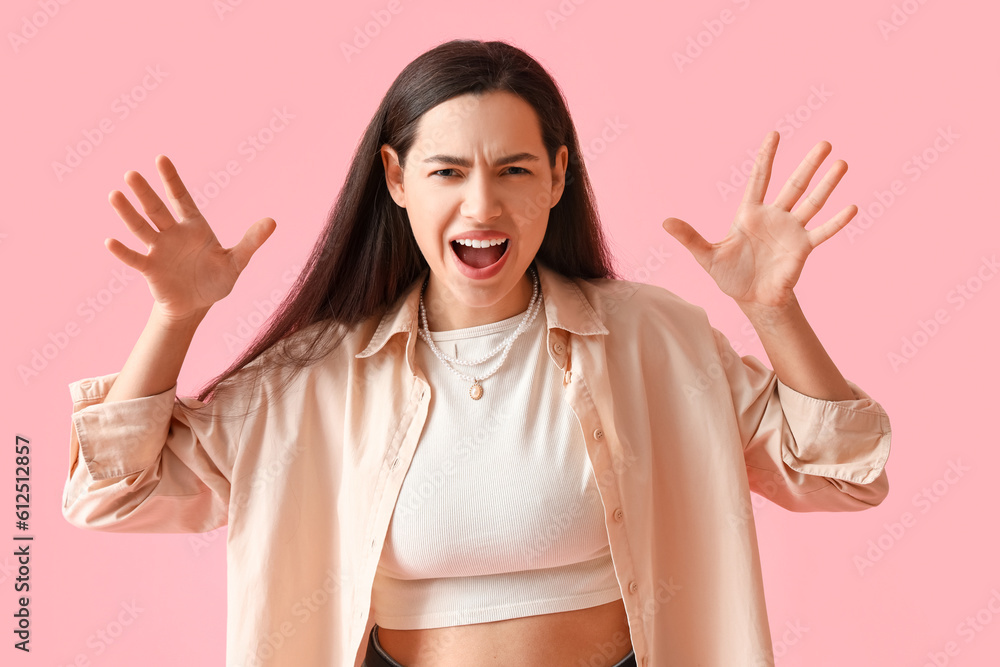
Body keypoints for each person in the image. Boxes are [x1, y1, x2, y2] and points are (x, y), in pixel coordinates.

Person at [61, 39, 892, 667]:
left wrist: (773, 313)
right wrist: (175, 319)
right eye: (448, 170)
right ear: (395, 178)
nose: (482, 202)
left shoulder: (653, 337)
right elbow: (113, 491)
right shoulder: (312, 377)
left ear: (559, 176)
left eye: (515, 168)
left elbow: (840, 475)